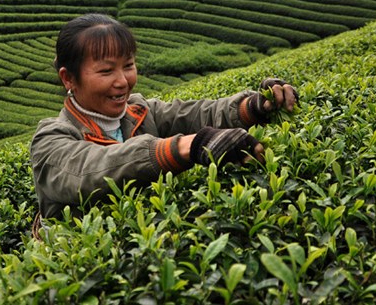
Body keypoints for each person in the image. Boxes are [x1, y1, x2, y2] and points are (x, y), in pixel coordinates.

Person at [30, 13, 298, 230]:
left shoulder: (140, 111)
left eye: (128, 65)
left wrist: (254, 105)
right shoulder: (50, 141)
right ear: (68, 78)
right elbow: (90, 170)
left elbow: (195, 114)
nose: (122, 81)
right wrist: (187, 147)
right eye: (106, 70)